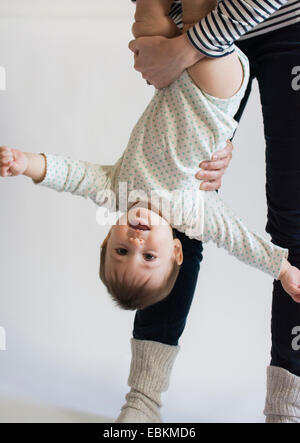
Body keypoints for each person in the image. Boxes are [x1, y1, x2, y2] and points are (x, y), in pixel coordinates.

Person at [116, 0, 300, 423]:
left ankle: (287, 411)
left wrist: (186, 49)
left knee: (295, 219)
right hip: (191, 24)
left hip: (284, 21)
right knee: (171, 196)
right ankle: (142, 400)